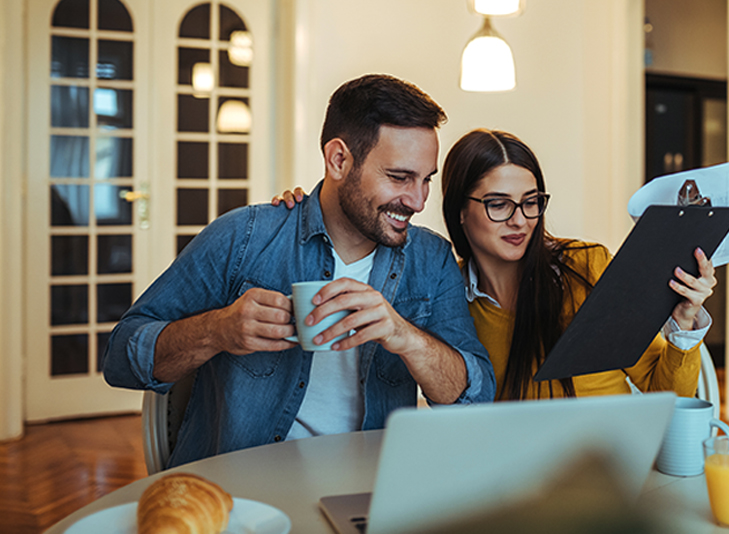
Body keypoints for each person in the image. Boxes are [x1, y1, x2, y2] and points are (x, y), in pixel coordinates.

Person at [103, 75, 496, 468]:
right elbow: (122, 357)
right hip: (245, 492)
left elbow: (476, 396)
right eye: (399, 177)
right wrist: (218, 330)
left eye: (426, 180)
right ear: (338, 160)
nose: (418, 200)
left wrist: (403, 335)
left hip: (372, 489)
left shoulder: (431, 259)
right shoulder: (245, 238)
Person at [275, 128, 715, 401]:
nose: (520, 220)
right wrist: (307, 207)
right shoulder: (446, 297)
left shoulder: (586, 266)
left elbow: (667, 394)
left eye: (530, 203)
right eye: (499, 204)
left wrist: (684, 325)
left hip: (610, 465)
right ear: (460, 211)